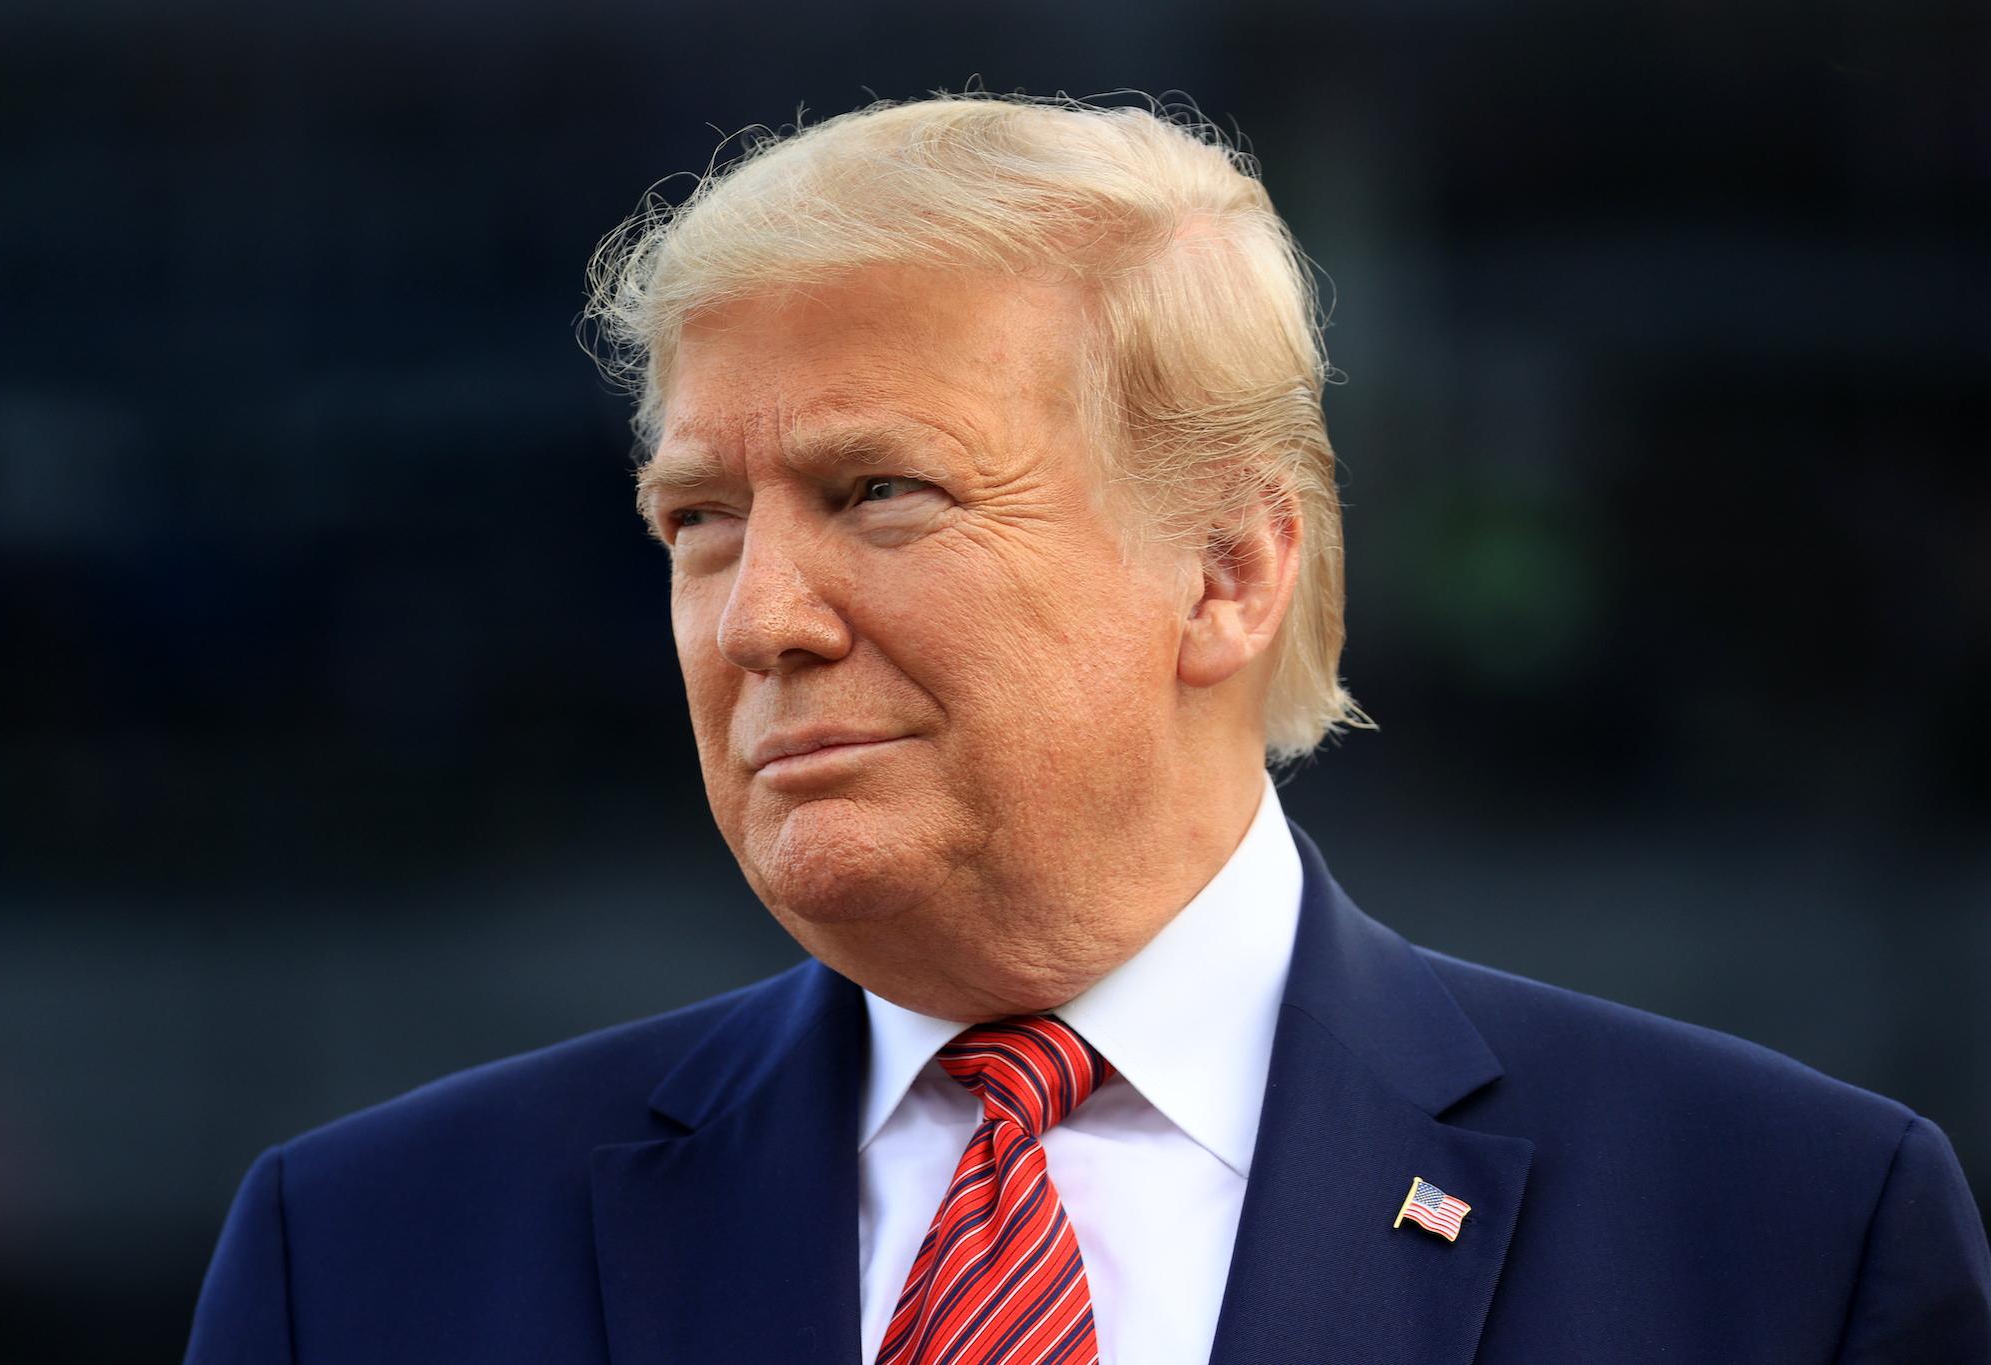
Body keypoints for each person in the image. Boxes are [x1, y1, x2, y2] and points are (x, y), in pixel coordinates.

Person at [185, 95, 1990, 1364]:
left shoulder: (1786, 1236)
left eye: (881, 491)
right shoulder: (358, 1261)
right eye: (699, 523)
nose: (760, 619)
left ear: (1228, 565)